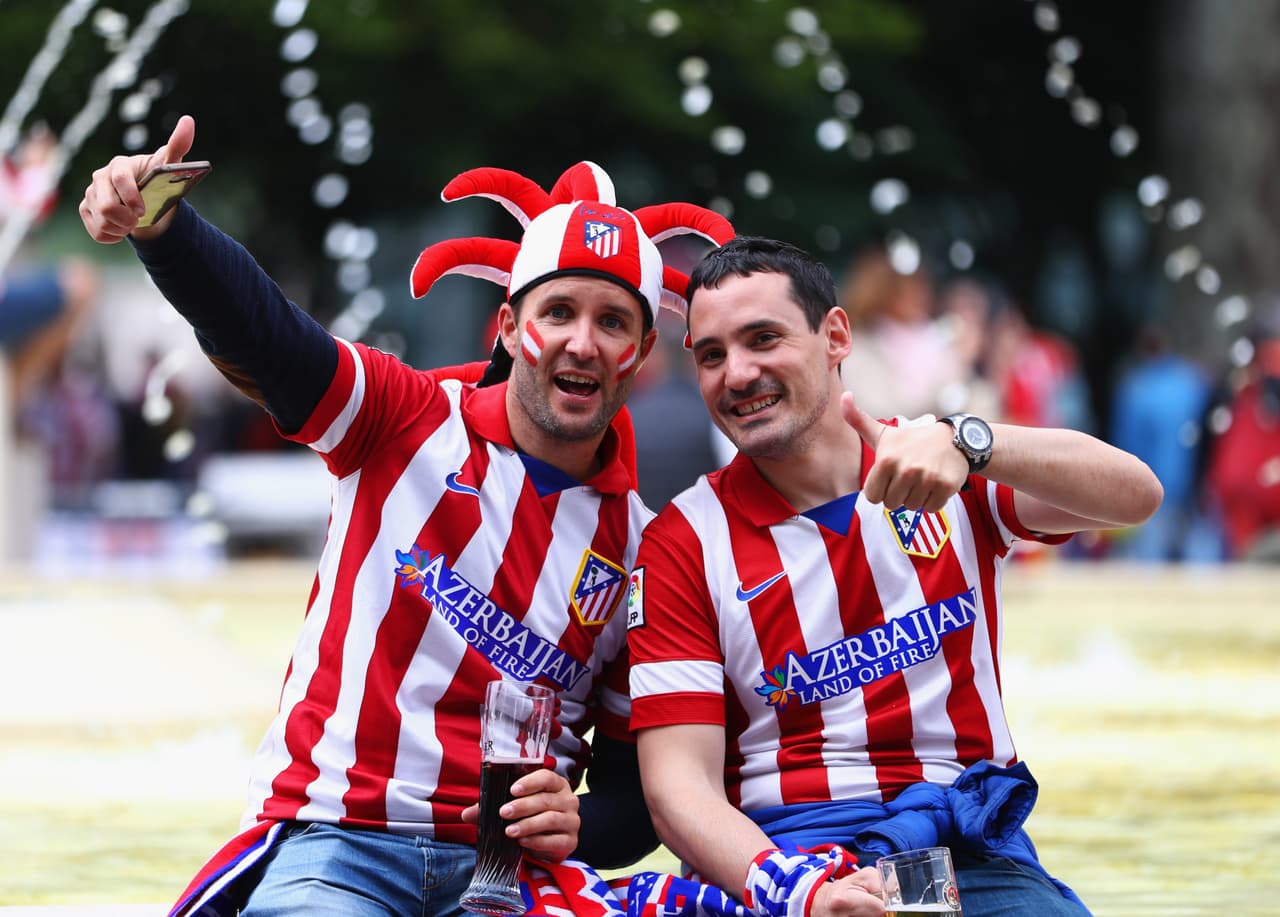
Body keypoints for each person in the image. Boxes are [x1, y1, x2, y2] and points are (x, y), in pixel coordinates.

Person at [79, 115, 733, 917]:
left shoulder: (646, 548)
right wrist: (165, 228)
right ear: (510, 328)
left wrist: (579, 824)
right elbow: (270, 337)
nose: (582, 342)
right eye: (558, 311)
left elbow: (637, 795)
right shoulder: (408, 416)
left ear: (640, 353)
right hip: (337, 842)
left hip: (509, 880)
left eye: (613, 321)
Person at [626, 237, 1163, 917]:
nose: (737, 372)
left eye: (764, 338)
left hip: (963, 851)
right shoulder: (680, 541)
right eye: (711, 355)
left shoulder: (939, 463)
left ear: (836, 336)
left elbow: (1136, 496)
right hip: (786, 858)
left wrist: (972, 441)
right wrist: (798, 891)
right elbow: (678, 787)